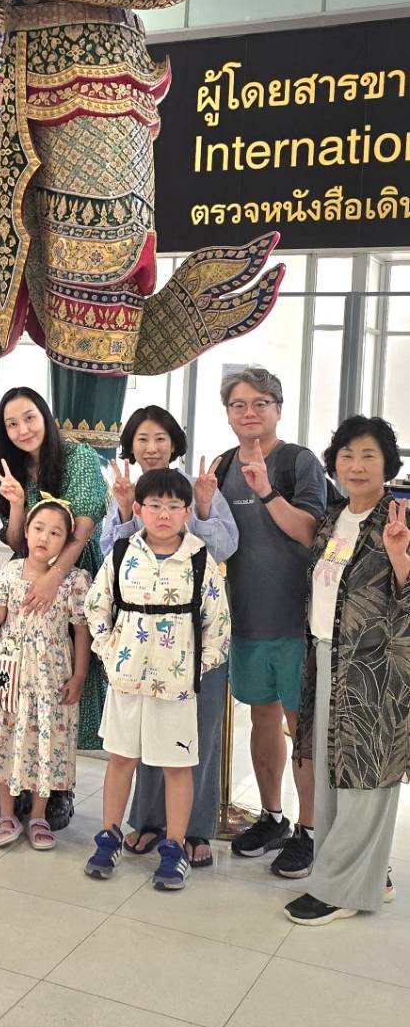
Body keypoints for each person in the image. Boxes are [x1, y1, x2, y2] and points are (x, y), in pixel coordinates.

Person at [102, 404, 238, 867]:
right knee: (141, 735)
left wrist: (203, 506)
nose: (151, 447)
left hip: (192, 639)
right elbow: (111, 556)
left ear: (174, 442)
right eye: (142, 438)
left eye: (160, 437)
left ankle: (195, 831)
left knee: (196, 734)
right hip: (138, 644)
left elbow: (223, 547)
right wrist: (125, 509)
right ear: (131, 445)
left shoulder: (197, 488)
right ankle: (148, 821)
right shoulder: (126, 491)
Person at [286, 416, 410, 926]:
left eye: (368, 456)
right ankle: (369, 875)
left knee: (366, 775)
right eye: (347, 455)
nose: (356, 466)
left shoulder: (400, 518)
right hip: (327, 658)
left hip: (375, 668)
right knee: (334, 773)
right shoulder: (334, 518)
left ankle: (338, 890)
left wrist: (400, 558)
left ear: (388, 464)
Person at [84, 468, 230, 891]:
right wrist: (108, 650)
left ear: (187, 512)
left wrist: (196, 666)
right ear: (139, 509)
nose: (163, 514)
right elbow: (97, 605)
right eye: (154, 505)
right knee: (121, 759)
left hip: (176, 686)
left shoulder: (200, 559)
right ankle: (109, 837)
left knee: (177, 765)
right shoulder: (122, 552)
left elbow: (218, 622)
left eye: (173, 506)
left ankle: (174, 846)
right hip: (126, 679)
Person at [215, 366, 328, 876]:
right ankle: (273, 816)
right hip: (245, 619)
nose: (249, 413)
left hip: (297, 622)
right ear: (228, 414)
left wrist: (265, 490)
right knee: (260, 719)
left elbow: (310, 531)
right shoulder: (220, 466)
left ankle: (310, 830)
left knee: (299, 728)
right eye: (239, 404)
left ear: (278, 409)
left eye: (260, 403)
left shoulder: (298, 461)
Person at [0, 387, 107, 820]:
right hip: (29, 581)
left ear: (45, 416)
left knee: (67, 683)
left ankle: (58, 788)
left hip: (74, 574)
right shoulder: (14, 469)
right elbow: (16, 540)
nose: (23, 429)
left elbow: (83, 528)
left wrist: (56, 578)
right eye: (12, 424)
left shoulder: (78, 457)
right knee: (28, 686)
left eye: (29, 418)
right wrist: (17, 505)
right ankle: (22, 780)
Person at [0, 499, 91, 850]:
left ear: (67, 541)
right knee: (6, 736)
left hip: (51, 675)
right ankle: (5, 813)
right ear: (26, 531)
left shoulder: (75, 580)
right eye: (38, 528)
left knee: (45, 741)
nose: (44, 537)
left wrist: (79, 676)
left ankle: (38, 815)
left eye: (55, 533)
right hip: (9, 672)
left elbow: (82, 631)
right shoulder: (11, 571)